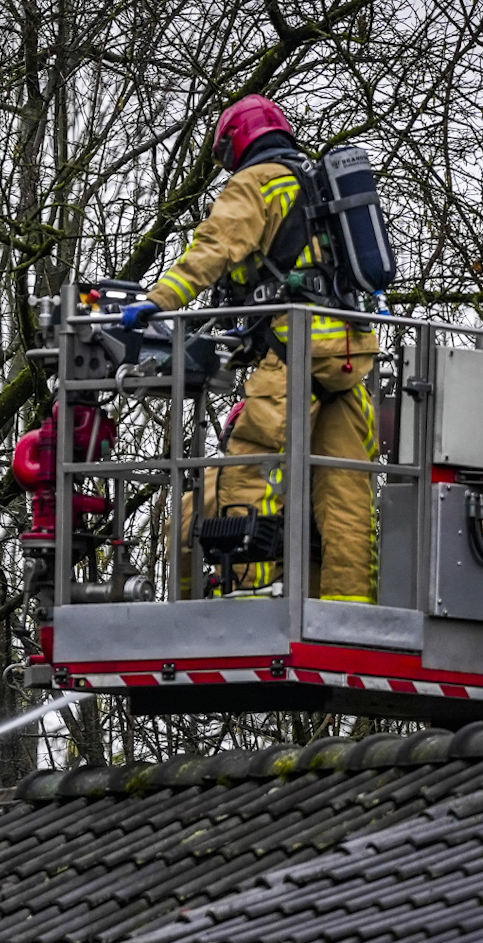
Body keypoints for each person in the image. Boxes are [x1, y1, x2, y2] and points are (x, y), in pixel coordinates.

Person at [121, 94, 379, 603]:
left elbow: (215, 248)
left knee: (243, 483)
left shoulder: (256, 183)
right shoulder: (313, 183)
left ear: (236, 143)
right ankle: (352, 619)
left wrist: (160, 299)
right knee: (346, 500)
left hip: (292, 356)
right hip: (347, 356)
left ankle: (247, 607)